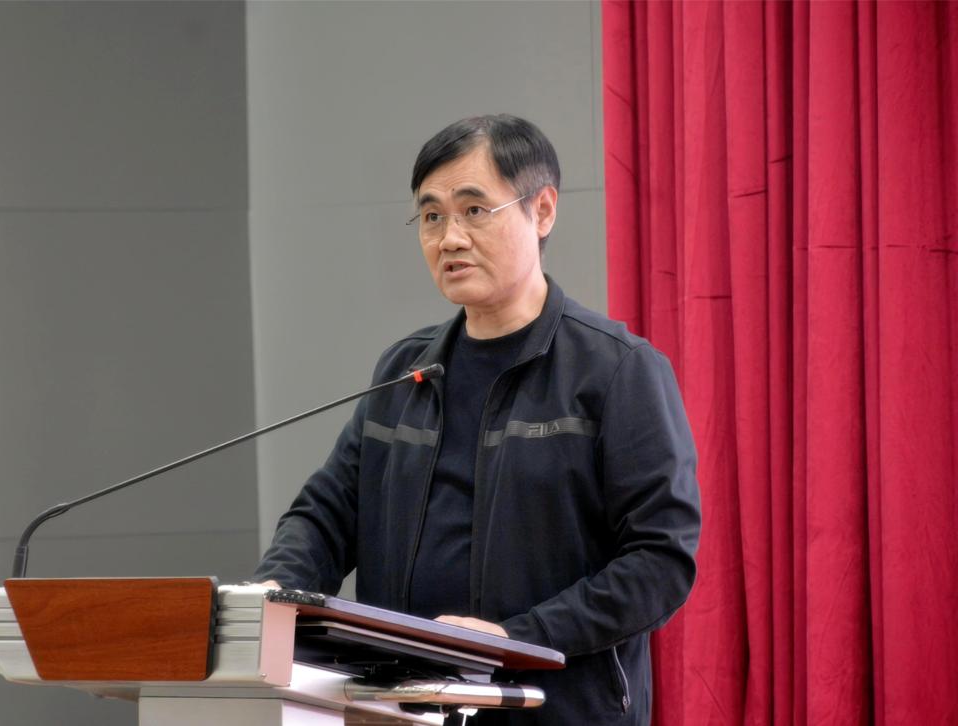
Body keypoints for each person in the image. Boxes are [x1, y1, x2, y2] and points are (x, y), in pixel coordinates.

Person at [254, 114, 701, 724]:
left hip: (555, 708)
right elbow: (325, 515)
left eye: (473, 210)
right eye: (431, 216)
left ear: (542, 211)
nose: (450, 238)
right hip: (403, 707)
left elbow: (659, 561)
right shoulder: (406, 370)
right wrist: (272, 596)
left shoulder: (617, 371)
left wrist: (516, 639)